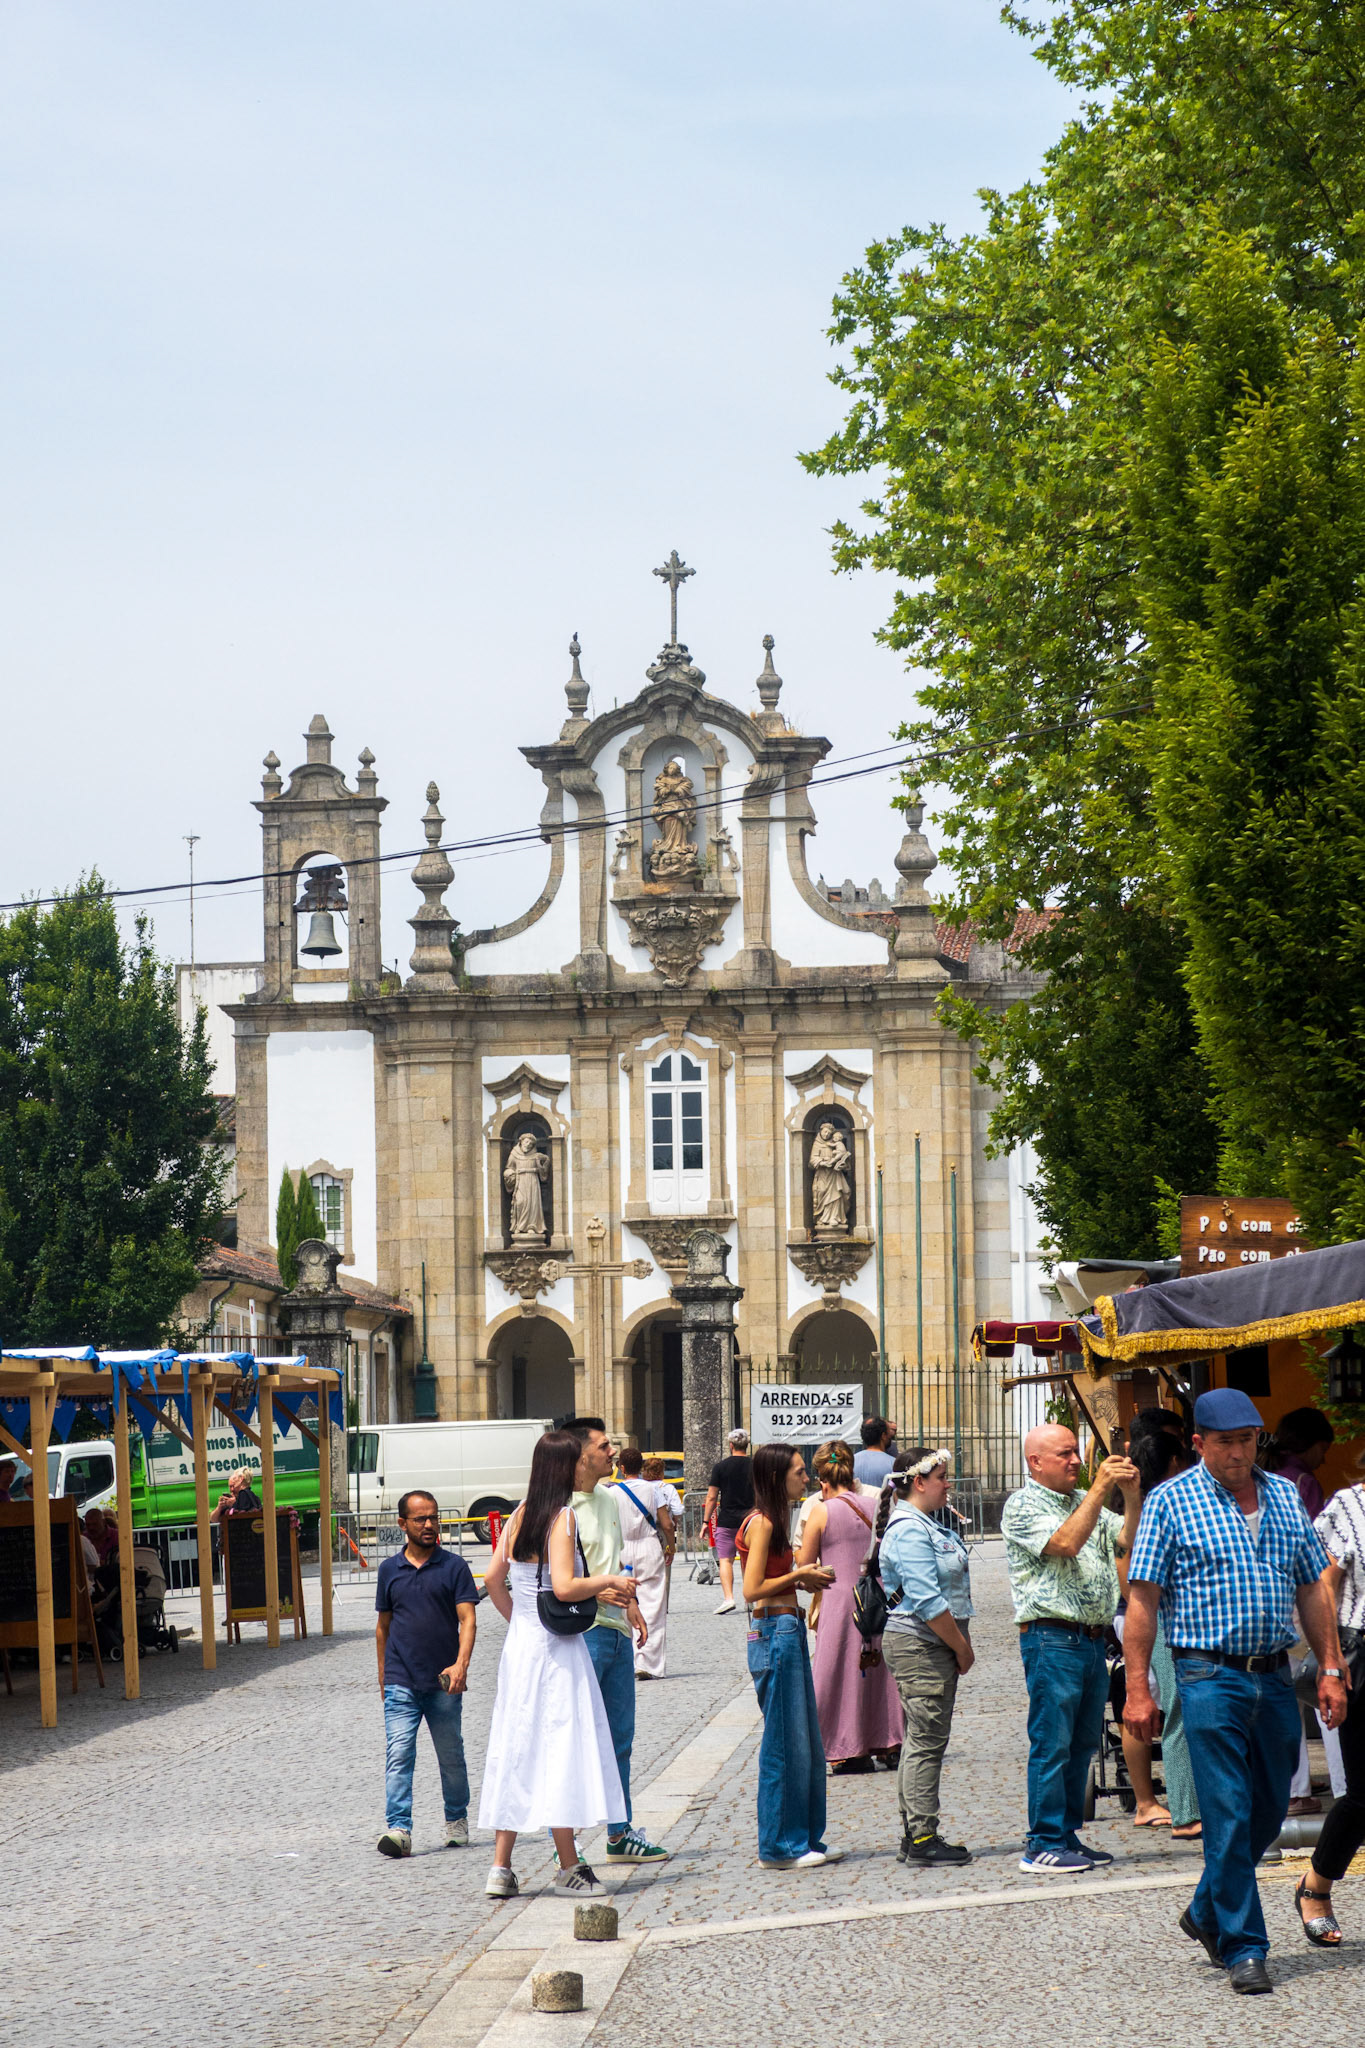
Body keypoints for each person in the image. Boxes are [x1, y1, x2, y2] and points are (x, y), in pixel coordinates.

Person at [1123, 1387, 1346, 1995]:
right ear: (1199, 1443)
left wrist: (1330, 1665)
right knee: (1226, 1809)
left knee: (1269, 1809)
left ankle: (1205, 1909)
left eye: (1247, 1440)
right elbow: (1142, 1598)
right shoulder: (1170, 1501)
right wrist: (1138, 1687)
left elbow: (1312, 1586)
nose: (1239, 1454)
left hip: (1273, 1675)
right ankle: (1244, 1946)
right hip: (1207, 1675)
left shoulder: (1283, 1495)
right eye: (1225, 1443)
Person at [479, 1430, 633, 1900]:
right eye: (575, 1462)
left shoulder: (519, 1514)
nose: (581, 1467)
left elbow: (493, 1578)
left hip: (522, 1646)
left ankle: (500, 1867)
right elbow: (564, 1587)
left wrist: (520, 1621)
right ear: (563, 1468)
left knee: (517, 1746)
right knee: (561, 1748)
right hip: (557, 1650)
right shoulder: (562, 1517)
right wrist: (608, 1581)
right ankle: (568, 1866)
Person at [1002, 1424, 1142, 1873]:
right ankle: (1041, 1841)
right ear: (1035, 1462)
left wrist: (1131, 1497)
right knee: (1052, 1742)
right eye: (1065, 1454)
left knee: (1082, 1744)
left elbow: (1127, 1543)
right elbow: (1065, 1543)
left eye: (1076, 1453)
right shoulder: (1022, 1504)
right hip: (1051, 1638)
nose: (1076, 1461)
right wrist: (1100, 1488)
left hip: (1091, 1639)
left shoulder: (1084, 1500)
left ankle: (1064, 1835)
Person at [562, 1416, 668, 1865]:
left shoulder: (608, 1498)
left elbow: (616, 1560)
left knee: (620, 1739)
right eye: (604, 1446)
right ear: (580, 1454)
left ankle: (619, 1833)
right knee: (575, 1743)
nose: (613, 1452)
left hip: (617, 1631)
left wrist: (631, 1604)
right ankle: (565, 1845)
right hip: (581, 1635)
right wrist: (596, 1591)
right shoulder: (559, 1507)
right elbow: (551, 1580)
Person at [738, 1442, 843, 1869]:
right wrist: (798, 1574)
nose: (807, 1477)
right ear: (776, 1477)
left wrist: (801, 1581)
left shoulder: (776, 1519)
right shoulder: (763, 1522)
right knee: (784, 1743)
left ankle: (805, 1838)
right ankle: (779, 1846)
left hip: (787, 1627)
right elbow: (751, 1589)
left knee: (807, 1743)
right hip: (773, 1631)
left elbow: (771, 1580)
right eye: (799, 1471)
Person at [875, 1447, 975, 1866]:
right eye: (942, 1477)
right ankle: (921, 1836)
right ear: (919, 1482)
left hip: (925, 1643)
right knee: (927, 1742)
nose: (948, 1484)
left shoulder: (923, 1523)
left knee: (922, 1739)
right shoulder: (911, 1530)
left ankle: (915, 1833)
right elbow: (928, 1601)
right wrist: (961, 1647)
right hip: (921, 1643)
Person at [374, 1489, 478, 1858]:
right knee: (399, 1754)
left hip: (443, 1682)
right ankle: (399, 1829)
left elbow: (468, 1619)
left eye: (434, 1517)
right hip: (401, 1680)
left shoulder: (454, 1567)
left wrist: (461, 1664)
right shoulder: (389, 1570)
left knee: (450, 1756)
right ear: (402, 1524)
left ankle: (456, 1819)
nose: (430, 1524)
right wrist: (384, 1676)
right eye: (421, 1519)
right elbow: (383, 1627)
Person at [796, 1438, 903, 1773]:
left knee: (838, 1672)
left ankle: (846, 1747)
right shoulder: (875, 1505)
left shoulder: (821, 1511)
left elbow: (805, 1567)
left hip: (840, 1599)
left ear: (821, 1479)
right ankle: (889, 1740)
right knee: (880, 1671)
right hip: (876, 1596)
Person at [1295, 1454, 1365, 1946]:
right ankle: (1315, 1885)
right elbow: (1321, 1587)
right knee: (1364, 1794)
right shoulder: (1349, 1505)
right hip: (1361, 1656)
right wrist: (1330, 1664)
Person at [1119, 1420, 1201, 1839]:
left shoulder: (1149, 1504)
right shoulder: (1157, 1507)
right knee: (1177, 1711)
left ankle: (1194, 1805)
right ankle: (1186, 1811)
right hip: (1163, 1618)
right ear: (1174, 1463)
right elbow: (1130, 1580)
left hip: (1173, 1618)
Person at [613, 1447, 673, 1679]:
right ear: (640, 1466)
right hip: (648, 1545)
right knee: (653, 1604)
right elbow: (666, 1523)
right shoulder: (653, 1489)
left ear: (622, 1468)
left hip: (623, 1547)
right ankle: (649, 1662)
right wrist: (671, 1546)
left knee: (625, 1603)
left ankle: (630, 1659)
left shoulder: (612, 1492)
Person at [703, 1427, 754, 1615]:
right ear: (747, 1445)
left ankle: (729, 1598)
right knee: (749, 1559)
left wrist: (705, 1521)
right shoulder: (755, 1466)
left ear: (731, 1445)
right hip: (751, 1520)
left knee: (725, 1559)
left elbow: (711, 1497)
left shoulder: (720, 1467)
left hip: (727, 1520)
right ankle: (750, 1598)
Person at [1264, 1406, 1336, 1520]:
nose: (1323, 1460)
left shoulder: (1260, 1470)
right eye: (1323, 1450)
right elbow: (1314, 1528)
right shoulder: (1305, 1483)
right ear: (1310, 1443)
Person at [642, 1455, 681, 1609]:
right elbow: (677, 1510)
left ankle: (645, 1603)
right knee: (665, 1570)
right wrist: (674, 1519)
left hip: (644, 1530)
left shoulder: (641, 1488)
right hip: (663, 1531)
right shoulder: (668, 1488)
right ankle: (663, 1605)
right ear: (662, 1472)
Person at [853, 1417, 897, 1488]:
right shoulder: (894, 1464)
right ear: (883, 1436)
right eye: (889, 1432)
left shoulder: (851, 1461)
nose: (891, 1436)